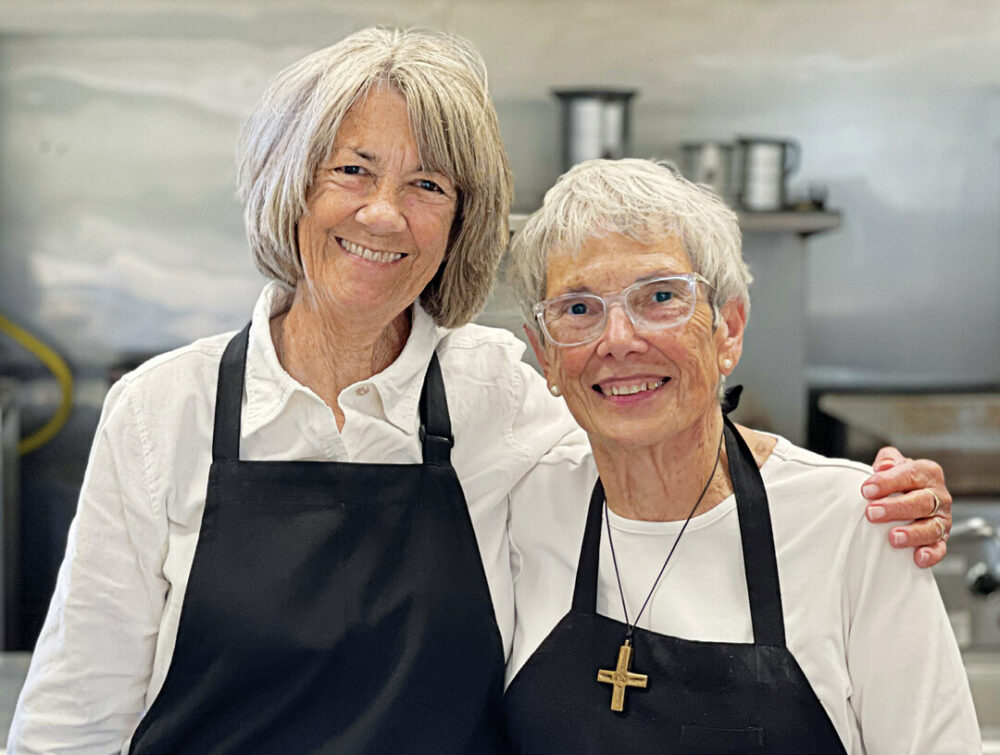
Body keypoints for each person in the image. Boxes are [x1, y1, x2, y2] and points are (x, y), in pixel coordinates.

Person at [10, 29, 955, 754]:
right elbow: (73, 717)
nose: (385, 213)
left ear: (459, 223)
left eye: (429, 183)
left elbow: (654, 422)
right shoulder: (162, 414)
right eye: (352, 169)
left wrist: (858, 496)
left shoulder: (496, 389)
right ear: (290, 183)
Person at [503, 158, 980, 753]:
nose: (619, 340)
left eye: (659, 297)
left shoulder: (854, 523)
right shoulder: (517, 506)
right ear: (545, 357)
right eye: (578, 309)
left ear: (728, 327)